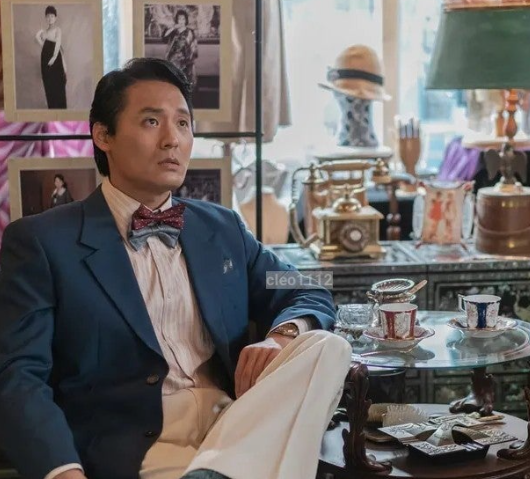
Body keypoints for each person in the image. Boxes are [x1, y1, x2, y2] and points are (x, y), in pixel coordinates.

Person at [0, 58, 352, 479]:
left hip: (236, 426)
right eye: (151, 122)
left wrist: (282, 338)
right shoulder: (42, 242)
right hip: (142, 449)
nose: (173, 139)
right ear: (103, 135)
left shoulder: (223, 229)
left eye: (183, 124)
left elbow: (303, 288)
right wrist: (63, 472)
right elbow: (19, 377)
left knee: (328, 347)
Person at [35, 5, 67, 109]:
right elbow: (43, 44)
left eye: (52, 16)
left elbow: (57, 45)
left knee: (58, 86)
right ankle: (52, 110)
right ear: (45, 18)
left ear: (55, 18)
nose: (50, 18)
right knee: (49, 87)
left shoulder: (58, 30)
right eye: (48, 16)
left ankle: (60, 111)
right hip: (45, 60)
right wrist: (39, 34)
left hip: (55, 60)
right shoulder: (44, 32)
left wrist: (53, 58)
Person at [164, 9, 198, 88]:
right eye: (179, 19)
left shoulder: (190, 32)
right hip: (173, 59)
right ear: (177, 20)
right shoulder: (174, 32)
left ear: (186, 20)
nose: (181, 21)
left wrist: (190, 59)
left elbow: (193, 46)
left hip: (186, 60)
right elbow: (164, 37)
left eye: (183, 19)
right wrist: (173, 27)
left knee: (185, 82)